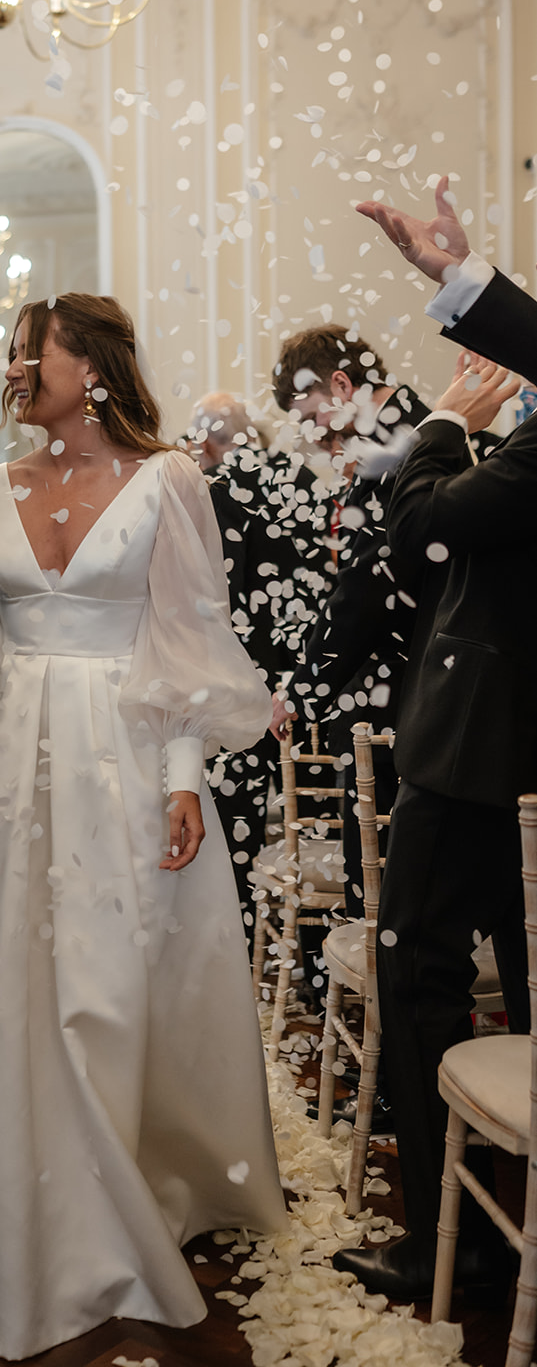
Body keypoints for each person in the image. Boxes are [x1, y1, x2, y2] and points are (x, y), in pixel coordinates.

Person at [0, 293, 285, 1361]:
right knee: (12, 976)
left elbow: (186, 639)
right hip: (10, 764)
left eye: (28, 352)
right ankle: (26, 1177)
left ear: (89, 366)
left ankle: (122, 1188)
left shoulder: (169, 480)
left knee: (107, 979)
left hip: (124, 756)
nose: (13, 369)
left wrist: (185, 775)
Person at [332, 179, 537, 1301]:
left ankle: (444, 1244)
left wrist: (445, 422)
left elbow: (422, 526)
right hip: (499, 749)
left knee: (417, 975)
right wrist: (457, 282)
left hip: (472, 753)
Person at [268, 326, 436, 916]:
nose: (315, 435)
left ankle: (389, 1003)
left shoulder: (401, 446)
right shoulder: (411, 432)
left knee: (389, 900)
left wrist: (302, 690)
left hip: (397, 701)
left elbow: (365, 590)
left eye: (315, 415)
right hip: (405, 694)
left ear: (341, 384)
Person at [190, 392, 333, 911]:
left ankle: (244, 941)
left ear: (204, 440)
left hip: (244, 682)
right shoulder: (303, 480)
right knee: (319, 827)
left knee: (235, 832)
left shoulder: (220, 491)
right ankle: (321, 964)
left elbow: (216, 598)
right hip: (312, 679)